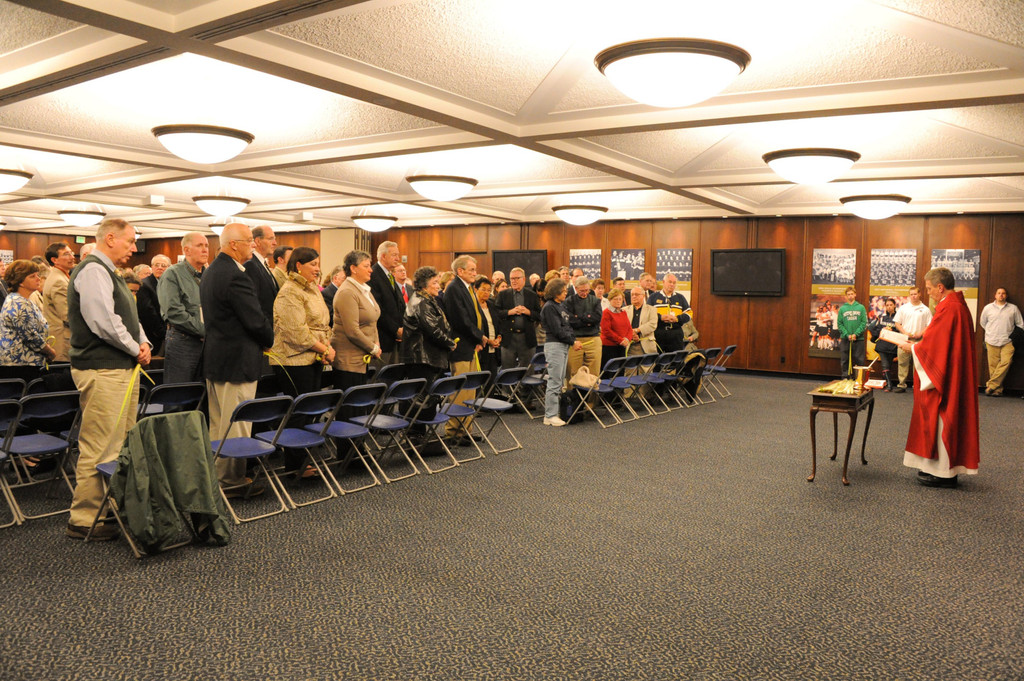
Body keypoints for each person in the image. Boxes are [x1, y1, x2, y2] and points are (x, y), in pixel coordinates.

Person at [66, 218, 151, 540]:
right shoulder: (92, 270)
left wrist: (143, 343)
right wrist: (134, 347)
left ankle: (107, 507)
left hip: (119, 368)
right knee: (100, 445)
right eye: (130, 242)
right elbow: (103, 322)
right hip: (102, 369)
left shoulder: (110, 272)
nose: (134, 248)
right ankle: (85, 518)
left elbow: (128, 318)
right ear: (111, 238)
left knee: (118, 444)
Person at [201, 222, 274, 496]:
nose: (253, 245)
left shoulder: (212, 271)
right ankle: (232, 481)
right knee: (237, 424)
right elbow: (255, 320)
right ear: (233, 244)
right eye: (248, 241)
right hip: (237, 361)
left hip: (218, 359)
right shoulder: (235, 275)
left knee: (219, 423)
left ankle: (218, 477)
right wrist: (269, 339)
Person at [894, 268, 979, 488]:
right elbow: (938, 341)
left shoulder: (950, 308)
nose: (928, 293)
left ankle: (944, 473)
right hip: (952, 371)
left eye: (930, 288)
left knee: (942, 417)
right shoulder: (955, 306)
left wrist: (913, 348)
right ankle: (938, 469)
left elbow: (936, 345)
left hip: (946, 378)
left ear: (940, 287)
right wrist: (918, 346)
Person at [271, 246, 334, 474]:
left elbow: (323, 323)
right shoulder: (290, 291)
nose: (317, 268)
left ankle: (303, 458)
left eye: (318, 264)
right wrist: (324, 349)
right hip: (293, 360)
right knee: (299, 412)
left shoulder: (312, 289)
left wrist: (326, 348)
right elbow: (295, 332)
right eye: (312, 264)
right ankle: (295, 465)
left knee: (310, 410)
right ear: (298, 265)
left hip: (313, 356)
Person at [400, 266, 457, 417]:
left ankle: (420, 428)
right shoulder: (421, 302)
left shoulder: (426, 299)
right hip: (422, 358)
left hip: (427, 356)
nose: (438, 286)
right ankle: (416, 429)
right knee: (420, 401)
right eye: (434, 283)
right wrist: (450, 343)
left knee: (425, 399)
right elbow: (433, 330)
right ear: (424, 285)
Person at [443, 255, 485, 444]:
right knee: (459, 392)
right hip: (460, 345)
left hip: (470, 345)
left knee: (470, 390)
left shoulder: (467, 287)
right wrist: (480, 337)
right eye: (472, 270)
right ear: (460, 271)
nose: (475, 273)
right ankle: (454, 432)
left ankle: (465, 429)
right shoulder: (454, 288)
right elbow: (461, 320)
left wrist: (479, 338)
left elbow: (475, 316)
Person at [158, 232, 209, 383]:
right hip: (183, 341)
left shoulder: (208, 274)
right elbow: (174, 312)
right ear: (187, 250)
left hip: (207, 342)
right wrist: (205, 331)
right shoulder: (172, 274)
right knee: (180, 391)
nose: (205, 250)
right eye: (200, 246)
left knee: (203, 391)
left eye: (206, 246)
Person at [330, 249, 382, 394]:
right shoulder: (347, 292)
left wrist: (376, 343)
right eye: (366, 266)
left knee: (361, 401)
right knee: (350, 403)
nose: (371, 270)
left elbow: (373, 320)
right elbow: (352, 331)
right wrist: (373, 348)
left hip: (362, 356)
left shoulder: (364, 289)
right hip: (349, 360)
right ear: (353, 268)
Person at [0, 260, 57, 382]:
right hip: (20, 365)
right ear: (20, 281)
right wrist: (49, 351)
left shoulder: (23, 300)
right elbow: (30, 336)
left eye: (37, 275)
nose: (38, 278)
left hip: (25, 363)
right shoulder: (18, 302)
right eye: (32, 276)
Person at [540, 279, 581, 427]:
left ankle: (553, 413)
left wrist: (572, 340)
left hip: (563, 345)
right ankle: (550, 415)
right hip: (554, 345)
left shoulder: (560, 306)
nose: (566, 293)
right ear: (555, 291)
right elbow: (557, 330)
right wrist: (573, 342)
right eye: (563, 291)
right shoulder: (549, 307)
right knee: (555, 381)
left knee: (560, 380)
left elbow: (567, 326)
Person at [493, 267, 541, 371]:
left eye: (516, 278)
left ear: (524, 279)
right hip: (508, 339)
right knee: (507, 370)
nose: (514, 281)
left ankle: (526, 383)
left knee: (528, 371)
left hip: (527, 339)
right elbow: (496, 313)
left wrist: (528, 312)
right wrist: (510, 312)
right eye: (512, 279)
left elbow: (539, 315)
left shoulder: (532, 295)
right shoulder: (503, 295)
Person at [979, 287, 1024, 396]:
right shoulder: (988, 308)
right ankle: (997, 390)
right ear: (995, 295)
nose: (1001, 295)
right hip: (991, 340)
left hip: (1007, 341)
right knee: (993, 367)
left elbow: (1020, 324)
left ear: (1006, 296)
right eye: (999, 293)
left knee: (1006, 362)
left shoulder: (1013, 308)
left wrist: (1012, 337)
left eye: (1003, 293)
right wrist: (991, 332)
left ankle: (991, 385)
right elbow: (983, 323)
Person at [368, 240, 405, 365]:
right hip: (382, 339)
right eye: (394, 255)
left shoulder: (389, 275)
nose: (398, 258)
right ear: (383, 256)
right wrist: (396, 330)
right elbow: (378, 309)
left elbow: (397, 305)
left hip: (394, 339)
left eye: (398, 255)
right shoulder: (373, 275)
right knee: (381, 374)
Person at [892, 286, 932, 392]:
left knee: (918, 364)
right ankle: (901, 385)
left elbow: (929, 325)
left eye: (915, 294)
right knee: (902, 362)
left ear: (919, 294)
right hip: (904, 339)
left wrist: (920, 333)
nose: (913, 296)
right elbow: (897, 323)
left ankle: (917, 386)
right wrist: (905, 333)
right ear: (909, 296)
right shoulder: (903, 308)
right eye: (911, 294)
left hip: (919, 340)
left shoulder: (925, 309)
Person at [41, 241, 75, 362]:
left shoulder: (61, 276)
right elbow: (67, 315)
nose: (72, 257)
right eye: (66, 254)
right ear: (54, 260)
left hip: (61, 338)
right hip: (62, 340)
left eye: (71, 253)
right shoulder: (58, 281)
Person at [563, 276, 602, 380]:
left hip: (593, 339)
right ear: (576, 288)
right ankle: (572, 391)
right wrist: (588, 320)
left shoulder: (595, 300)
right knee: (573, 373)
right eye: (582, 291)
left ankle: (592, 391)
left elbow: (597, 318)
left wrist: (579, 317)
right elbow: (570, 321)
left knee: (593, 374)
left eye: (587, 290)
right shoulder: (569, 301)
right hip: (575, 340)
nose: (585, 293)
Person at [244, 224, 279, 324]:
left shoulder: (261, 263)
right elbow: (255, 303)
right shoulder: (251, 265)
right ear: (258, 241)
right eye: (271, 239)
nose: (275, 243)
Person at [647, 273, 690, 353]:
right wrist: (660, 317)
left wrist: (677, 319)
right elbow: (647, 313)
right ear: (663, 282)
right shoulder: (653, 297)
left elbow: (689, 314)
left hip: (676, 334)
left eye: (674, 283)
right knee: (658, 359)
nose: (672, 284)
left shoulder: (680, 297)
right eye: (670, 282)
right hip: (658, 333)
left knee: (676, 359)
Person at [136, 254, 169, 355]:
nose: (160, 268)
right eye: (156, 265)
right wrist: (163, 332)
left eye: (163, 265)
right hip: (153, 335)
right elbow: (148, 312)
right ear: (152, 267)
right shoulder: (145, 285)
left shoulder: (169, 283)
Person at [867, 297, 899, 390]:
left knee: (888, 365)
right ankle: (889, 385)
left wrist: (892, 331)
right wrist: (882, 330)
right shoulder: (881, 317)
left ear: (894, 306)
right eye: (887, 305)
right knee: (885, 364)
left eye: (891, 305)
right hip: (882, 345)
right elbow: (874, 329)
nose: (889, 307)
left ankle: (885, 381)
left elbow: (901, 331)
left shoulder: (899, 317)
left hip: (893, 345)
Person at [473, 277, 500, 381]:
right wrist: (488, 341)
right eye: (483, 289)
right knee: (481, 380)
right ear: (475, 289)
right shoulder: (473, 306)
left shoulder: (492, 305)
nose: (486, 292)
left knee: (492, 379)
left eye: (489, 290)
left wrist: (499, 338)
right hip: (481, 348)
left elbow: (498, 324)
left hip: (494, 349)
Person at [837, 286, 867, 377]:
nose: (850, 296)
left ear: (855, 295)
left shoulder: (861, 307)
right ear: (846, 296)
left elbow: (864, 323)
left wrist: (856, 334)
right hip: (845, 339)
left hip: (858, 339)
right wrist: (847, 335)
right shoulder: (842, 309)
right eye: (848, 294)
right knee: (844, 360)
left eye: (852, 294)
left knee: (859, 360)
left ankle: (859, 379)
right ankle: (845, 378)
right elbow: (839, 324)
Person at [623, 286, 658, 357]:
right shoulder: (624, 310)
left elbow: (652, 324)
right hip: (628, 346)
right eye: (632, 295)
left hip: (646, 346)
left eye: (636, 294)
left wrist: (637, 330)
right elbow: (621, 325)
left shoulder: (652, 309)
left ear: (643, 296)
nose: (634, 296)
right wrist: (631, 334)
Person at [600, 288, 630, 367]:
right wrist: (620, 340)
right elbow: (606, 331)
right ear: (610, 300)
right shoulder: (606, 313)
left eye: (620, 299)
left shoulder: (623, 312)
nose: (618, 301)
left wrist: (627, 339)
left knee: (621, 370)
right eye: (615, 299)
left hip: (622, 346)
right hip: (609, 347)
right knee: (610, 371)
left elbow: (629, 328)